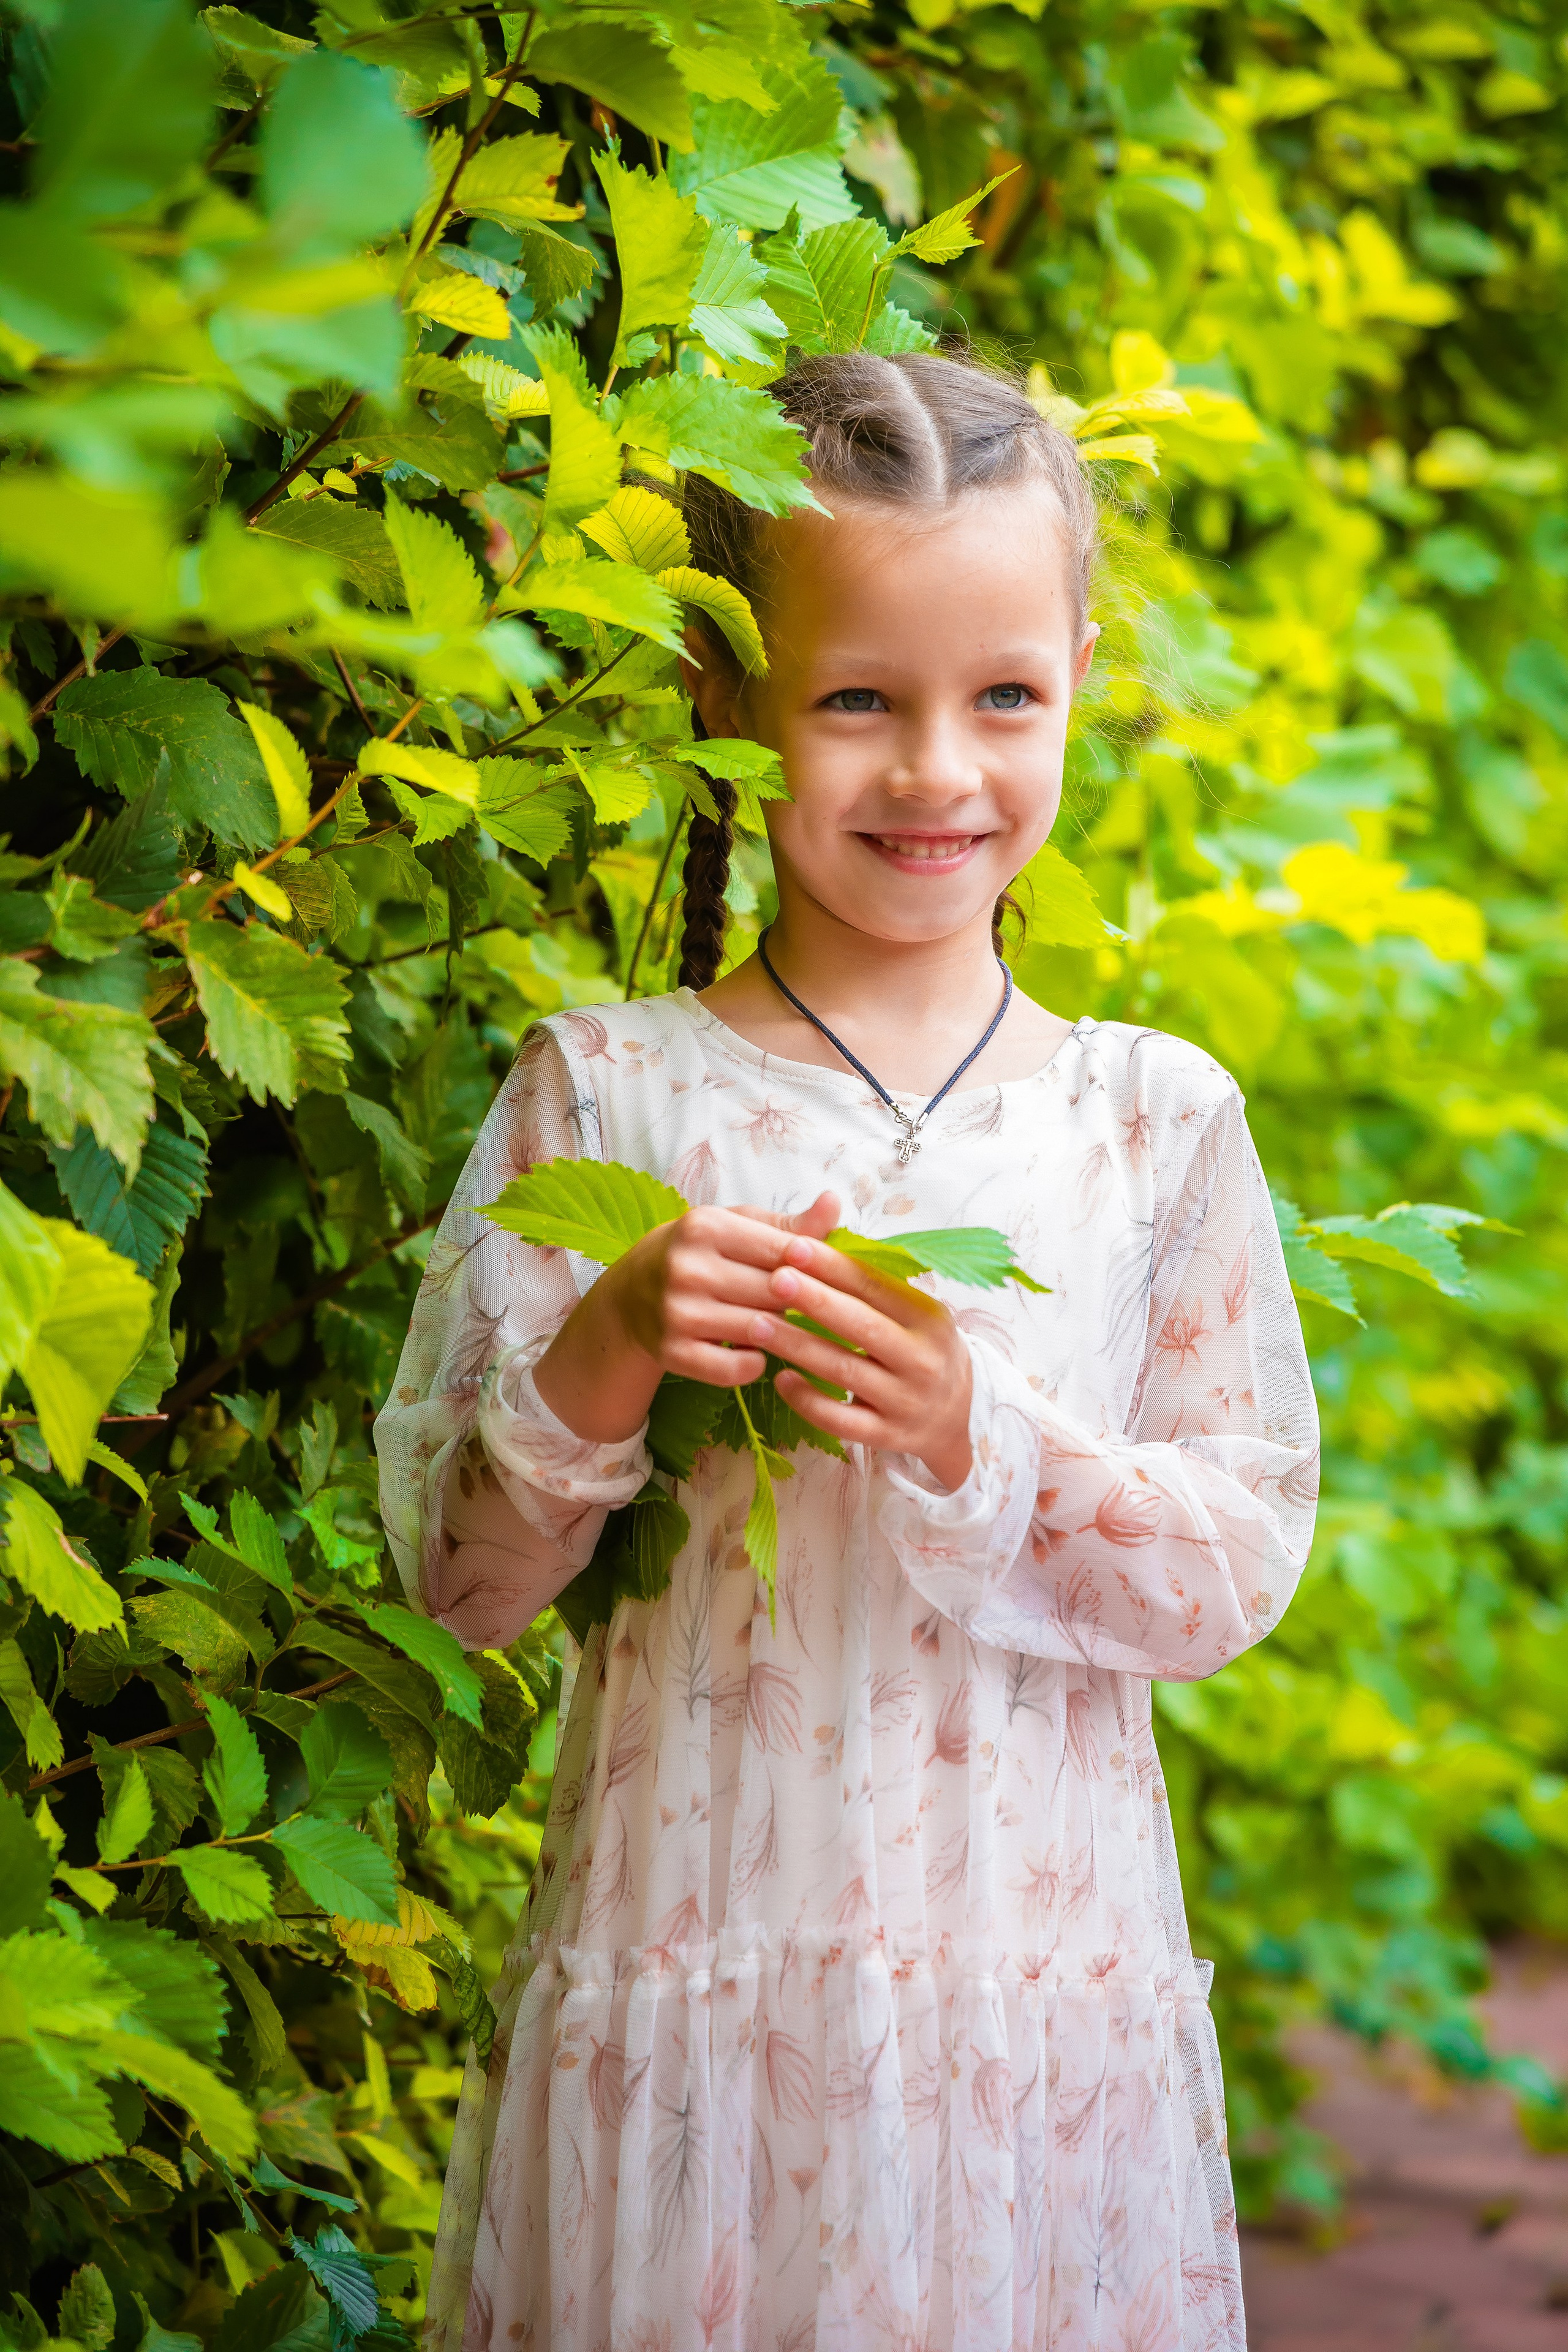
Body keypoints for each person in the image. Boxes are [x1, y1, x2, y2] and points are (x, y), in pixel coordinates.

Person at [376, 350, 1319, 2352]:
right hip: (698, 1987)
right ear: (731, 701)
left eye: (1004, 698)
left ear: (1077, 681)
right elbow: (457, 1581)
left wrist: (991, 1429)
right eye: (857, 702)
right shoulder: (606, 1094)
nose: (937, 773)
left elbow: (1233, 1567)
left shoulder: (1153, 1123)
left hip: (1035, 2017)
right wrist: (610, 1349)